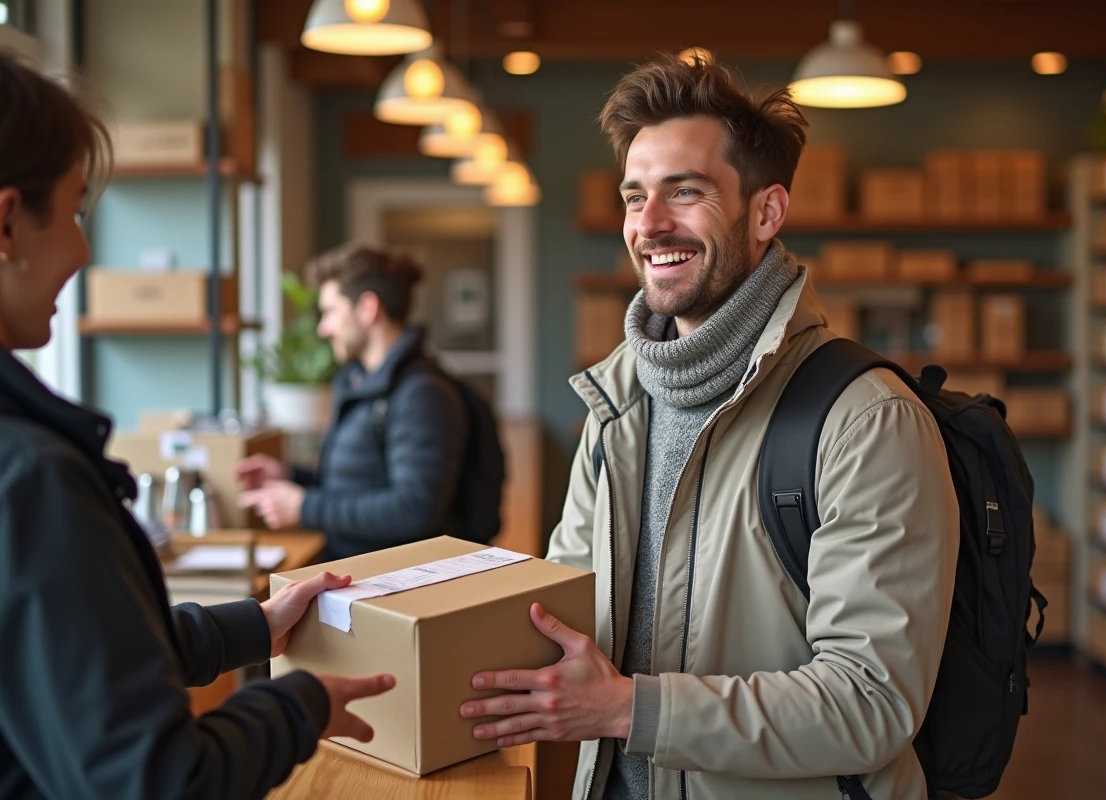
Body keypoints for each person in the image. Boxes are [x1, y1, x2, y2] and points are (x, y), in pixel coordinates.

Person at [457, 54, 960, 800]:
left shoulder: (867, 420)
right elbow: (565, 613)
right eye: (635, 197)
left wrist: (631, 709)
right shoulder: (615, 405)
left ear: (766, 212)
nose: (649, 224)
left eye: (684, 192)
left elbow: (872, 703)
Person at [0, 52, 395, 799]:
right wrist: (301, 702)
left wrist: (256, 625)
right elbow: (158, 782)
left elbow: (77, 654)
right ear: (9, 224)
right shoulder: (31, 476)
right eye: (78, 212)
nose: (85, 251)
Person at [237, 245, 477, 561]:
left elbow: (414, 509)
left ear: (367, 308)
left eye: (330, 311)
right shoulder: (360, 382)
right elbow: (359, 482)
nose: (324, 328)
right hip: (357, 574)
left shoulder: (422, 394)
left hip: (389, 588)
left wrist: (304, 507)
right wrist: (290, 476)